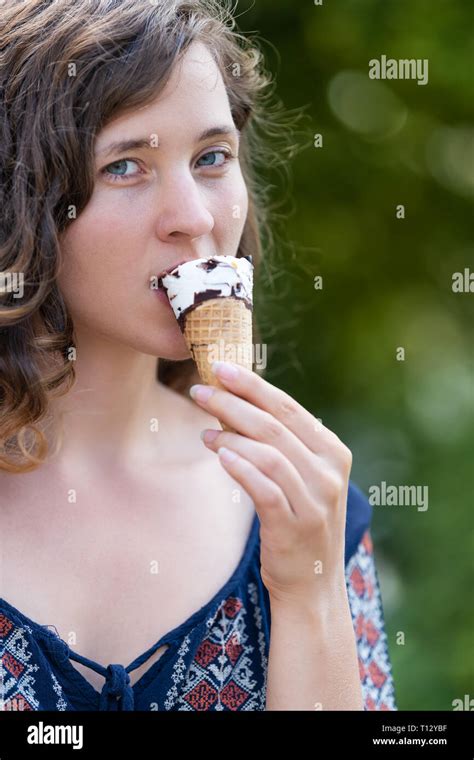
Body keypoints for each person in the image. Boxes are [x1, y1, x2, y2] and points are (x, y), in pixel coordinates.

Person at [0, 0, 396, 711]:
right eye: (126, 165)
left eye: (212, 158)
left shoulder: (301, 505)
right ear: (20, 202)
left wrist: (309, 596)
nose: (197, 217)